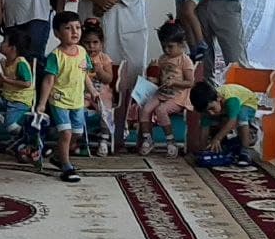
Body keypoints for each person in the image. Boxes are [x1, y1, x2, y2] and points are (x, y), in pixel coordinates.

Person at [35, 11, 95, 183]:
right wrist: (42, 103)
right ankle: (67, 166)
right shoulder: (56, 56)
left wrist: (93, 91)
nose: (74, 32)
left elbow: (84, 75)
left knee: (77, 133)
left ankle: (57, 156)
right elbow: (48, 81)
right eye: (68, 28)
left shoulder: (82, 52)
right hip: (59, 100)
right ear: (57, 33)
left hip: (77, 100)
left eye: (77, 27)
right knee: (66, 133)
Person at [127, 20, 196, 158]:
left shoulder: (185, 60)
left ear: (182, 44)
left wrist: (175, 82)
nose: (166, 50)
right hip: (162, 92)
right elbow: (159, 79)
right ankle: (148, 139)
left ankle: (171, 141)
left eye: (170, 47)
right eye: (164, 46)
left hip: (178, 96)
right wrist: (152, 73)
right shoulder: (163, 58)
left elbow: (190, 83)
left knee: (161, 110)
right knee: (144, 108)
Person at [189, 80, 259, 156]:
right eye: (206, 111)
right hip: (227, 109)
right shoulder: (209, 105)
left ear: (218, 98)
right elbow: (204, 129)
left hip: (248, 102)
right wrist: (203, 149)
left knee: (241, 115)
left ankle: (245, 149)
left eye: (211, 108)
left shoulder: (231, 100)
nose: (211, 113)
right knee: (216, 123)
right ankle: (225, 144)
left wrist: (217, 139)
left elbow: (232, 121)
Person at [81, 19, 116, 156]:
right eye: (87, 43)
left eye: (95, 43)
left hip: (102, 93)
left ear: (102, 43)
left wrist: (100, 70)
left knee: (106, 110)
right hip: (84, 93)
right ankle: (80, 137)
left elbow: (109, 79)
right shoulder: (80, 57)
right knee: (77, 109)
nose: (91, 47)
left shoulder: (104, 58)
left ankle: (103, 139)